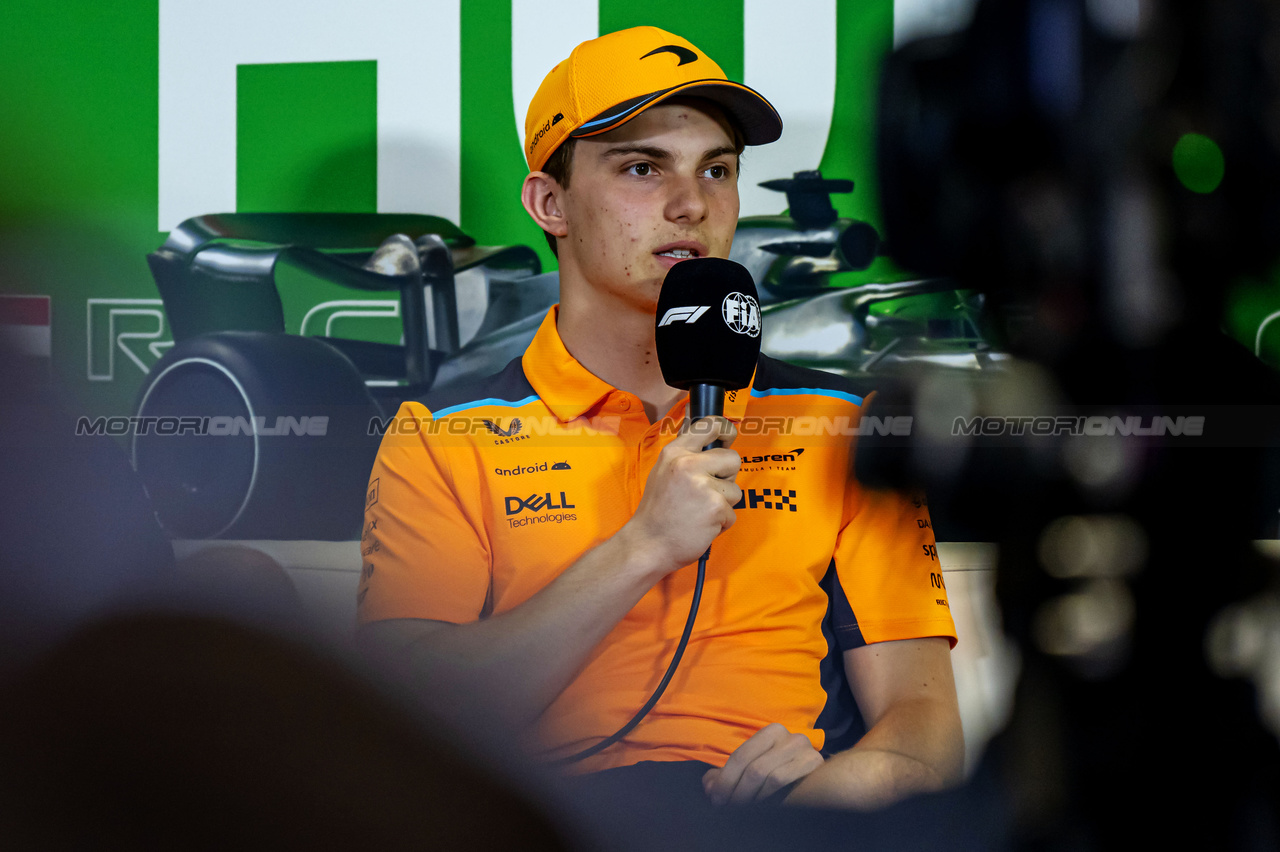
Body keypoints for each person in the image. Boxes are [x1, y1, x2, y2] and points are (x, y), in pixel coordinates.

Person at [356, 26, 963, 811]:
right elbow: (408, 724)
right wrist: (644, 546)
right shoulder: (440, 438)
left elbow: (927, 736)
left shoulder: (844, 423)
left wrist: (812, 801)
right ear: (550, 202)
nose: (691, 205)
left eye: (718, 169)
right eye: (642, 167)